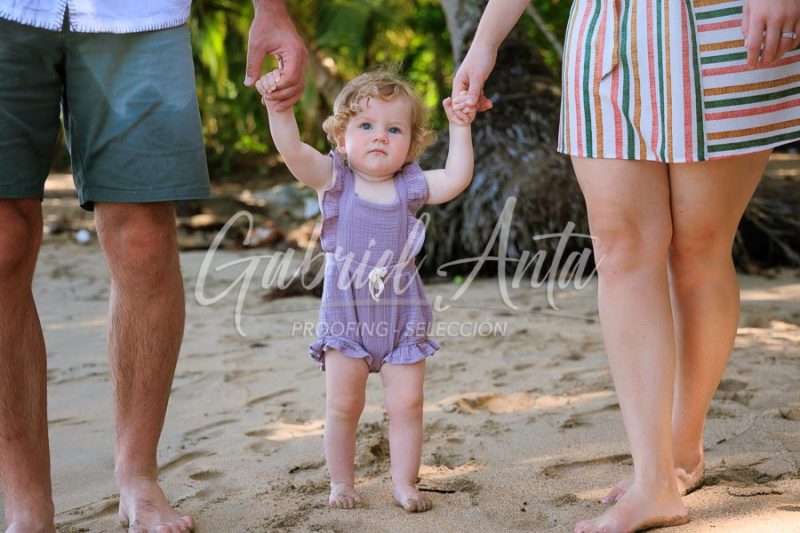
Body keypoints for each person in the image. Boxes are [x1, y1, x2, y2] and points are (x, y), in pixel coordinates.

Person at [452, 0, 800, 531]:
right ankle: (653, 479)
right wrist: (485, 42)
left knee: (698, 249)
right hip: (605, 34)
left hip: (722, 28)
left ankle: (683, 449)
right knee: (619, 251)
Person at [0, 1, 305, 531]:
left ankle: (138, 476)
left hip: (139, 14)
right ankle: (26, 504)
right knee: (2, 239)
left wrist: (272, 9)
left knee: (143, 235)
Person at [256, 68, 475, 512]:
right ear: (341, 137)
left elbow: (456, 178)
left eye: (394, 129)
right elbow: (294, 151)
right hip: (346, 315)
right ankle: (342, 483)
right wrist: (278, 109)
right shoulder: (335, 181)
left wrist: (461, 127)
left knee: (407, 404)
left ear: (410, 146)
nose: (380, 137)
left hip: (401, 316)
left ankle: (405, 484)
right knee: (343, 405)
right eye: (366, 126)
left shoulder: (410, 186)